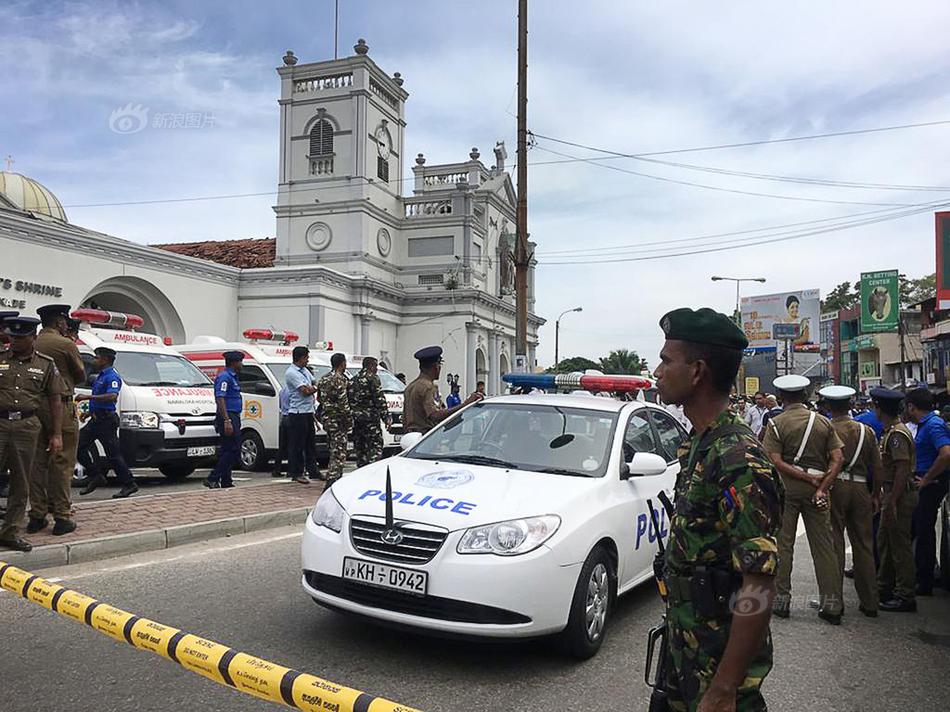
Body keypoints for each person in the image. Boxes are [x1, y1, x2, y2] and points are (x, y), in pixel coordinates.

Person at [654, 307, 783, 711]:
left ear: (697, 371)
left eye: (665, 359)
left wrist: (726, 687)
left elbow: (758, 584)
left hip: (718, 673)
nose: (657, 370)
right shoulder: (700, 445)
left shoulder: (739, 460)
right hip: (684, 655)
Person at [763, 374, 845, 623]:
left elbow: (774, 460)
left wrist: (800, 476)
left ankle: (782, 601)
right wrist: (821, 485)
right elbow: (838, 458)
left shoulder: (776, 424)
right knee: (824, 547)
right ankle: (832, 605)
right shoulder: (823, 422)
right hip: (818, 487)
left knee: (783, 544)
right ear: (805, 396)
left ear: (782, 397)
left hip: (786, 490)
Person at [0, 315, 64, 551]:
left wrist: (56, 434)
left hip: (27, 426)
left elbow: (55, 400)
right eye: (12, 337)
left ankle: (9, 532)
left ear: (33, 338)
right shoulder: (1, 359)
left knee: (21, 482)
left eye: (21, 337)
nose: (14, 341)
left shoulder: (46, 364)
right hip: (0, 423)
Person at [819, 384, 883, 617]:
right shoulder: (866, 431)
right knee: (864, 544)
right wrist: (876, 494)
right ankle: (870, 602)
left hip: (835, 485)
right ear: (851, 405)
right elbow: (877, 467)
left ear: (827, 405)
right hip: (860, 487)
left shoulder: (825, 428)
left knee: (834, 543)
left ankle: (833, 602)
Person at [27, 304, 85, 535]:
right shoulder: (65, 344)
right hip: (60, 405)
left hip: (33, 407)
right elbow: (80, 374)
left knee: (36, 463)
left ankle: (37, 514)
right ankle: (61, 515)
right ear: (60, 321)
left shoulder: (32, 342)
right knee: (62, 462)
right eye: (64, 320)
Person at [872, 387, 919, 612]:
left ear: (880, 409)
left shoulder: (897, 434)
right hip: (891, 492)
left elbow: (902, 469)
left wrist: (892, 500)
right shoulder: (891, 431)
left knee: (900, 546)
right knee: (885, 541)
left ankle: (905, 594)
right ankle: (884, 586)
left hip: (898, 494)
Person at [903, 388, 950, 596]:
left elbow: (946, 454)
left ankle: (925, 581)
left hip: (931, 484)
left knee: (924, 532)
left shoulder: (933, 425)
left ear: (911, 407)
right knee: (920, 530)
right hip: (925, 481)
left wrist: (927, 479)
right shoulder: (925, 424)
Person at [77, 347, 138, 498]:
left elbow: (111, 397)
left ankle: (129, 484)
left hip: (106, 421)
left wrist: (87, 398)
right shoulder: (100, 376)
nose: (94, 361)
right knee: (78, 446)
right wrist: (89, 412)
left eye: (97, 358)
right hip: (96, 419)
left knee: (113, 455)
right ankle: (95, 475)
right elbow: (101, 399)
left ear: (105, 360)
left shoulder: (111, 377)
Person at [403, 346, 483, 434]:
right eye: (439, 365)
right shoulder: (429, 387)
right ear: (436, 366)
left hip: (411, 438)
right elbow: (435, 415)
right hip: (426, 436)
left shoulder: (410, 387)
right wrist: (465, 404)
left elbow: (405, 419)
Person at [204, 351, 244, 489]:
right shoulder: (225, 377)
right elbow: (220, 398)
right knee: (234, 448)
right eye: (240, 361)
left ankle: (226, 480)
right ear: (234, 363)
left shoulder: (232, 377)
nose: (241, 364)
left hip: (233, 415)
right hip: (228, 416)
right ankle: (213, 477)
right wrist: (227, 420)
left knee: (228, 449)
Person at [284, 346, 319, 484]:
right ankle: (296, 472)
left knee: (310, 444)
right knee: (297, 445)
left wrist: (314, 387)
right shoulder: (291, 373)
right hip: (297, 413)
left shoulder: (304, 371)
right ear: (300, 358)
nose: (308, 360)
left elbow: (314, 382)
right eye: (306, 357)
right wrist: (316, 388)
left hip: (308, 411)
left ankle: (313, 471)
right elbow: (305, 391)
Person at [348, 356, 391, 468]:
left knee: (360, 448)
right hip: (370, 420)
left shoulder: (353, 379)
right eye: (376, 366)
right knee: (375, 447)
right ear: (371, 366)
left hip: (357, 420)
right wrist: (386, 418)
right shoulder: (372, 378)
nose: (377, 369)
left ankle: (361, 469)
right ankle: (374, 471)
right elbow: (379, 399)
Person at [317, 353, 352, 485]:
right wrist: (349, 419)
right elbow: (344, 402)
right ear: (342, 363)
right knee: (339, 453)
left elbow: (319, 398)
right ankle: (333, 480)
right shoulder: (340, 379)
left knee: (333, 449)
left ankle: (332, 476)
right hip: (339, 420)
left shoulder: (324, 378)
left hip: (327, 419)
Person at [271, 385, 290, 477]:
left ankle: (276, 469)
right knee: (294, 445)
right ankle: (291, 470)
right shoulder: (294, 391)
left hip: (284, 418)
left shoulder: (282, 391)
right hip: (292, 417)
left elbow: (280, 405)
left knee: (282, 446)